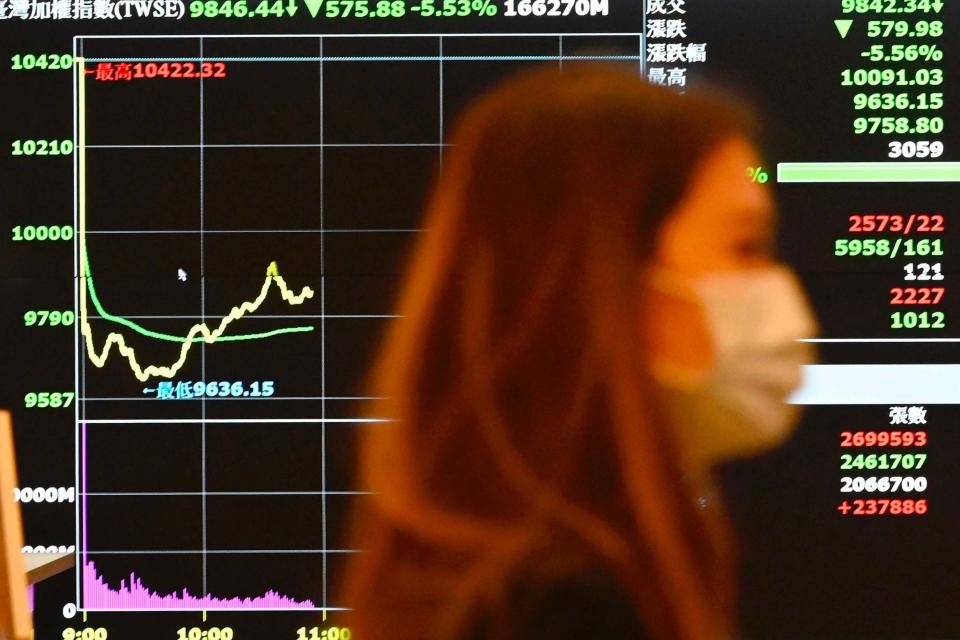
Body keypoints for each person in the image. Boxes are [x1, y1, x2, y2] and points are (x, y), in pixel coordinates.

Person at [339, 64, 817, 640]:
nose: (777, 287)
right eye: (744, 247)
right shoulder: (560, 607)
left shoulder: (491, 581)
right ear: (599, 280)